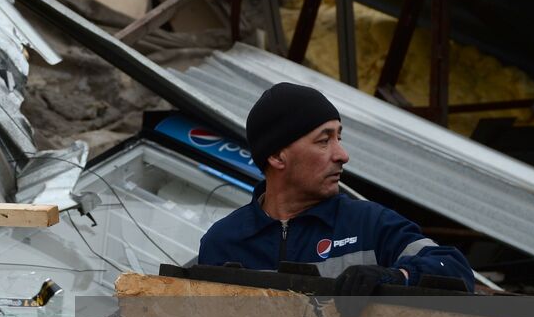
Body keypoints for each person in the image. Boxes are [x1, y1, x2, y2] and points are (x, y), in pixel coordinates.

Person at [197, 83, 474, 295]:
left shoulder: (368, 225)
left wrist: (398, 276)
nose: (342, 154)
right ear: (277, 157)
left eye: (339, 137)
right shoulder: (223, 243)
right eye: (324, 141)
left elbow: (456, 271)